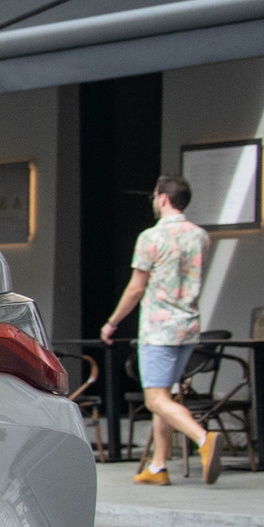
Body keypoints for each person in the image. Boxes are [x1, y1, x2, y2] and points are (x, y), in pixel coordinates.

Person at [100, 174, 218, 486]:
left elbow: (136, 289)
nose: (154, 201)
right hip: (189, 327)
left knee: (154, 399)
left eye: (155, 196)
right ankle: (158, 466)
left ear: (163, 198)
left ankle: (203, 439)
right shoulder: (201, 236)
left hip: (158, 328)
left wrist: (112, 322)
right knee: (165, 394)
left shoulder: (150, 238)